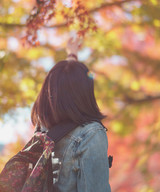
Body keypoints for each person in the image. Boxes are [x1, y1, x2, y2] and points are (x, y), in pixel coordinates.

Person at [31, 36, 111, 192]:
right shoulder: (90, 135)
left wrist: (72, 55)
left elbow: (61, 83)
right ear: (85, 94)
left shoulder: (42, 130)